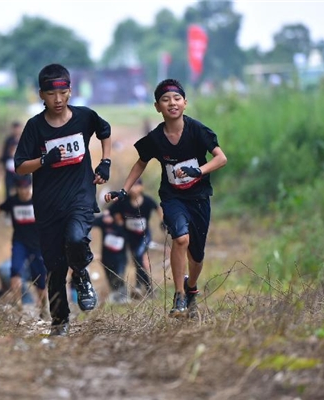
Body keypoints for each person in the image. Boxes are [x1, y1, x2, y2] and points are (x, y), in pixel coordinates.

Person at [104, 78, 227, 318]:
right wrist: (124, 190)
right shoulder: (155, 139)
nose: (172, 103)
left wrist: (198, 171)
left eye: (177, 98)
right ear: (157, 107)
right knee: (180, 238)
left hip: (199, 197)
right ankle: (179, 295)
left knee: (197, 254)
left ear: (185, 103)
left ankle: (191, 288)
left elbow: (221, 158)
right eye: (165, 100)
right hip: (172, 197)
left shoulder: (198, 131)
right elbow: (140, 162)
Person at [14, 63, 112, 336]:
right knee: (55, 267)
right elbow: (20, 166)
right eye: (51, 94)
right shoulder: (35, 127)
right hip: (47, 205)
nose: (58, 100)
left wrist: (105, 162)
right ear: (41, 95)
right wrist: (44, 160)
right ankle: (60, 322)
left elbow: (105, 131)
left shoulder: (85, 117)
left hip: (79, 197)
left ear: (70, 91)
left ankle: (81, 274)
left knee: (76, 238)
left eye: (63, 93)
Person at [0, 175, 48, 317]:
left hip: (38, 246)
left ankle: (44, 308)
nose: (23, 191)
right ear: (16, 189)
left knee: (40, 281)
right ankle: (19, 307)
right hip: (20, 243)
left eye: (26, 188)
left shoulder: (39, 201)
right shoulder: (13, 201)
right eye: (20, 188)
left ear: (30, 187)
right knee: (15, 271)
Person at [108, 178, 163, 299]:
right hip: (130, 237)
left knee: (138, 257)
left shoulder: (147, 201)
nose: (134, 189)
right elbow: (111, 210)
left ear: (141, 187)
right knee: (137, 261)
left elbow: (158, 208)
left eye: (136, 186)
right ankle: (149, 290)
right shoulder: (123, 202)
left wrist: (163, 221)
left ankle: (138, 286)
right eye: (131, 186)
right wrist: (118, 220)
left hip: (144, 236)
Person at [92, 209, 128, 304]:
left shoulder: (125, 223)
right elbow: (93, 222)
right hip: (106, 256)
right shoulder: (106, 222)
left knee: (119, 274)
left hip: (121, 257)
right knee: (110, 276)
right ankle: (115, 295)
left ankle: (123, 296)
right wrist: (103, 216)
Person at [0, 121, 23, 199]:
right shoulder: (8, 140)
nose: (16, 130)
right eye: (15, 129)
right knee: (8, 188)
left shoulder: (24, 139)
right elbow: (4, 153)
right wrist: (1, 165)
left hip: (21, 168)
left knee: (21, 188)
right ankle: (8, 207)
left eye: (18, 129)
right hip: (9, 167)